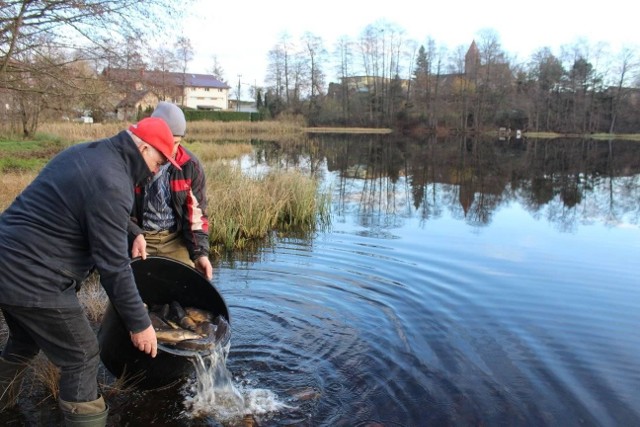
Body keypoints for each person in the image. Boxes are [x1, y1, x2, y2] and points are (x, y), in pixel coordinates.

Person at [0, 117, 179, 425]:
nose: (157, 170)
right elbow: (113, 267)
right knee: (82, 356)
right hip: (33, 276)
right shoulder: (113, 181)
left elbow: (91, 199)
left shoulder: (89, 154)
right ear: (142, 147)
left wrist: (132, 230)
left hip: (8, 260)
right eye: (159, 161)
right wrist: (140, 324)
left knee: (25, 340)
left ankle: (4, 409)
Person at [128, 101, 213, 280]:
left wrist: (200, 254)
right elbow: (117, 211)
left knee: (189, 290)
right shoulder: (133, 161)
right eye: (167, 142)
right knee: (128, 296)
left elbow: (196, 217)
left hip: (175, 241)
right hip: (138, 237)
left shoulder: (190, 166)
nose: (172, 149)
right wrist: (134, 234)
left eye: (176, 142)